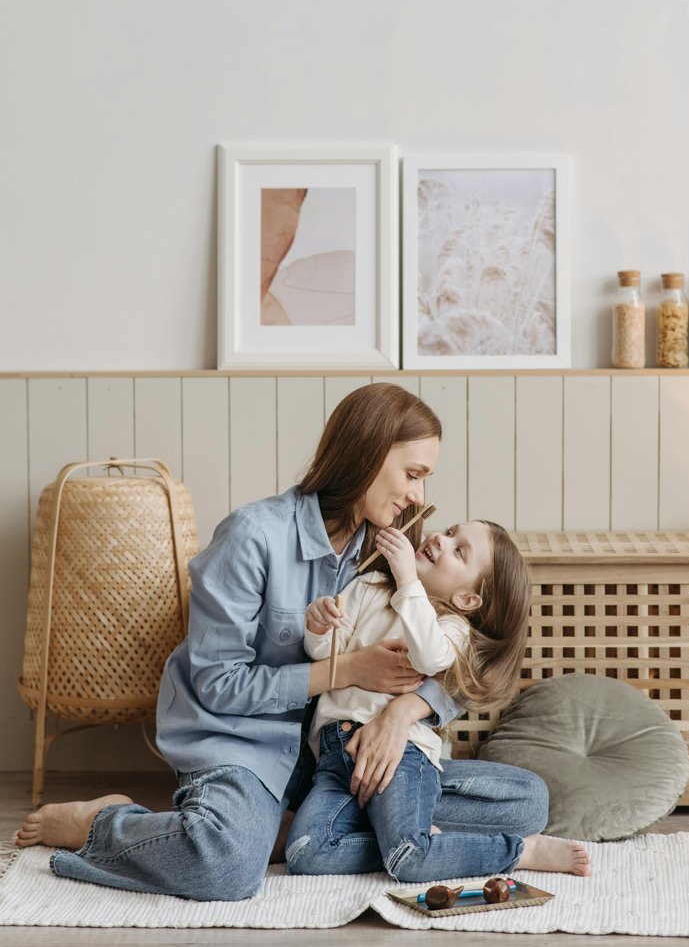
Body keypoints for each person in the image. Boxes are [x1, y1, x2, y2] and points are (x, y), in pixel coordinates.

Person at [15, 382, 549, 901]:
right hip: (243, 740)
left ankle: (304, 834)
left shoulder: (396, 544)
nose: (419, 497)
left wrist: (401, 714)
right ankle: (105, 823)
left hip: (340, 754)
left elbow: (458, 655)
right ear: (366, 456)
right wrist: (348, 670)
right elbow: (217, 685)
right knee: (224, 867)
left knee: (526, 803)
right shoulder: (252, 536)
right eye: (412, 475)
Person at [286, 520, 591, 882]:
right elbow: (326, 654)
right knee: (305, 851)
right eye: (448, 532)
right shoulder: (369, 586)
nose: (440, 540)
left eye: (459, 551)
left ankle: (519, 852)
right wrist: (319, 626)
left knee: (411, 856)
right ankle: (417, 841)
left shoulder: (451, 628)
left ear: (466, 600)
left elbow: (430, 657)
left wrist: (407, 580)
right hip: (336, 752)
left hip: (404, 756)